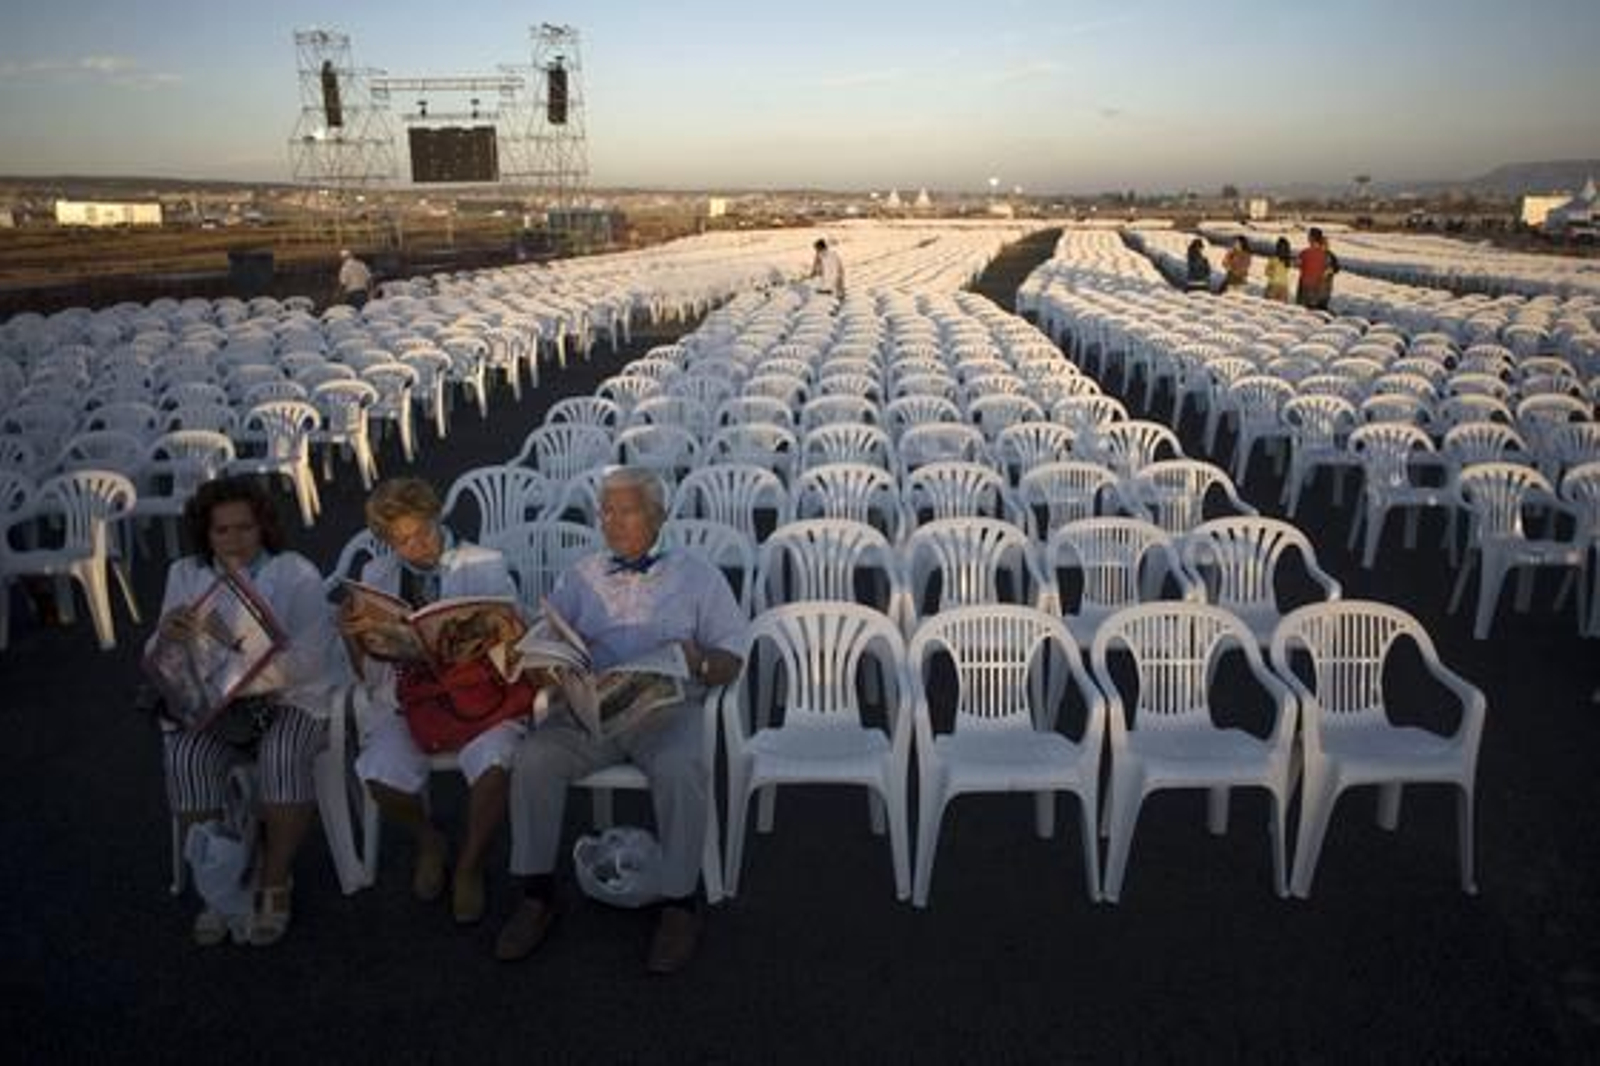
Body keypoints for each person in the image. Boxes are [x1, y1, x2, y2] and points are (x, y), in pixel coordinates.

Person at [496, 467, 746, 974]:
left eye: (626, 510)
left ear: (658, 515)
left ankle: (679, 902)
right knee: (533, 756)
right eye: (605, 511)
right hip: (593, 710)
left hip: (665, 709)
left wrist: (698, 658)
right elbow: (551, 638)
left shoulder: (699, 576)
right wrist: (545, 660)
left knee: (681, 767)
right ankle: (537, 892)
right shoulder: (579, 574)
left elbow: (734, 658)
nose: (612, 522)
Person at [153, 475, 340, 947]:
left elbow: (310, 661)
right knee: (186, 757)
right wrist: (169, 636)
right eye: (222, 531)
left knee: (280, 755)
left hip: (289, 698)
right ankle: (220, 882)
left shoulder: (295, 572)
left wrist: (239, 675)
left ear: (263, 528)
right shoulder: (186, 574)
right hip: (216, 705)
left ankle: (274, 878)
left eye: (245, 528)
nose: (234, 540)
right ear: (206, 534)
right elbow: (165, 656)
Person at [340, 478, 526, 925]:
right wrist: (352, 636)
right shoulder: (376, 577)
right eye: (401, 541)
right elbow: (368, 673)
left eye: (422, 532)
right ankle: (428, 839)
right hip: (409, 695)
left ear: (437, 517)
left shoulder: (485, 564)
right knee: (380, 773)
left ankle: (469, 865)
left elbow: (511, 646)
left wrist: (481, 634)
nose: (416, 546)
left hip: (479, 696)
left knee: (495, 763)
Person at [1296, 227, 1340, 311]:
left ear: (1311, 238)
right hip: (1321, 290)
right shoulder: (1327, 255)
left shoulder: (1305, 253)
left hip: (1309, 288)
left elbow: (1298, 264)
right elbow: (1334, 269)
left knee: (1308, 311)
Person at [1263, 237, 1293, 302]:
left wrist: (1272, 272)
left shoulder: (1286, 261)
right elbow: (1267, 272)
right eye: (1280, 247)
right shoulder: (1286, 261)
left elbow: (1267, 272)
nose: (1281, 250)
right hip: (1279, 286)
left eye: (1283, 248)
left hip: (1278, 287)